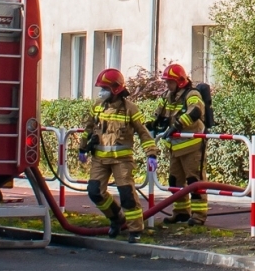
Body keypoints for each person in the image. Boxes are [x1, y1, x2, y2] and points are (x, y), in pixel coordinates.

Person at [79, 68, 157, 238]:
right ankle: (116, 218)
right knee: (94, 191)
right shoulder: (97, 107)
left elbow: (143, 132)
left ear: (115, 89)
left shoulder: (130, 109)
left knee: (127, 196)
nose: (101, 92)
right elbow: (89, 128)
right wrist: (82, 147)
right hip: (99, 159)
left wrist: (151, 152)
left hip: (122, 160)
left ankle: (135, 230)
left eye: (105, 88)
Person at [154, 63, 208, 225]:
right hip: (175, 147)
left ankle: (198, 216)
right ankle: (181, 213)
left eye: (170, 82)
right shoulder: (167, 96)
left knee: (194, 182)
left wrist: (177, 125)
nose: (167, 85)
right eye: (166, 82)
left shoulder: (192, 94)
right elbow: (160, 116)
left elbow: (196, 111)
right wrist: (153, 125)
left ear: (180, 81)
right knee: (174, 181)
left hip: (192, 146)